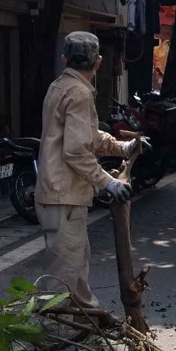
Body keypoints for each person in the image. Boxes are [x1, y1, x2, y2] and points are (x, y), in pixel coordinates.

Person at [36, 32, 137, 307]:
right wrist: (107, 182)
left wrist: (121, 147)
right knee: (63, 273)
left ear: (65, 59)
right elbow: (77, 151)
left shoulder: (59, 87)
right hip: (63, 195)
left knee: (77, 260)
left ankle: (88, 315)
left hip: (60, 194)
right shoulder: (79, 93)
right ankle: (50, 331)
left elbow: (87, 136)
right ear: (99, 62)